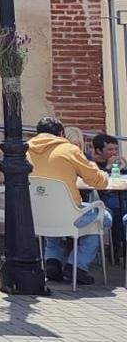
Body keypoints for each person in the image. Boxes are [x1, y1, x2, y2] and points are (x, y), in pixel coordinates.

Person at [27, 117, 110, 285]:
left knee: (50, 210)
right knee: (105, 216)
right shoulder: (68, 150)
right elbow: (97, 181)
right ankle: (77, 265)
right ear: (61, 133)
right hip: (69, 215)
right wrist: (102, 172)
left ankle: (53, 261)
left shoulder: (24, 150)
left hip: (36, 215)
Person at [90, 133, 124, 262]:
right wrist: (109, 167)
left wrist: (124, 167)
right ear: (99, 150)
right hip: (103, 198)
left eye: (115, 149)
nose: (113, 152)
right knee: (117, 208)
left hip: (120, 194)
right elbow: (97, 181)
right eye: (109, 149)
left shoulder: (119, 163)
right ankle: (115, 248)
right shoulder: (94, 165)